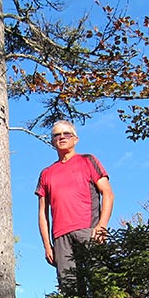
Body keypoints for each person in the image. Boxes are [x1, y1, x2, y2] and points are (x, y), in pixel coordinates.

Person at [35, 120, 115, 285]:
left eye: (67, 134)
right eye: (57, 135)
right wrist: (47, 246)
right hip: (60, 238)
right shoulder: (46, 173)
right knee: (69, 288)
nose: (62, 137)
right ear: (52, 141)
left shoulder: (88, 160)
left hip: (89, 230)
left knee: (99, 281)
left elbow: (108, 193)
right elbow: (43, 212)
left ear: (75, 139)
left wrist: (102, 226)